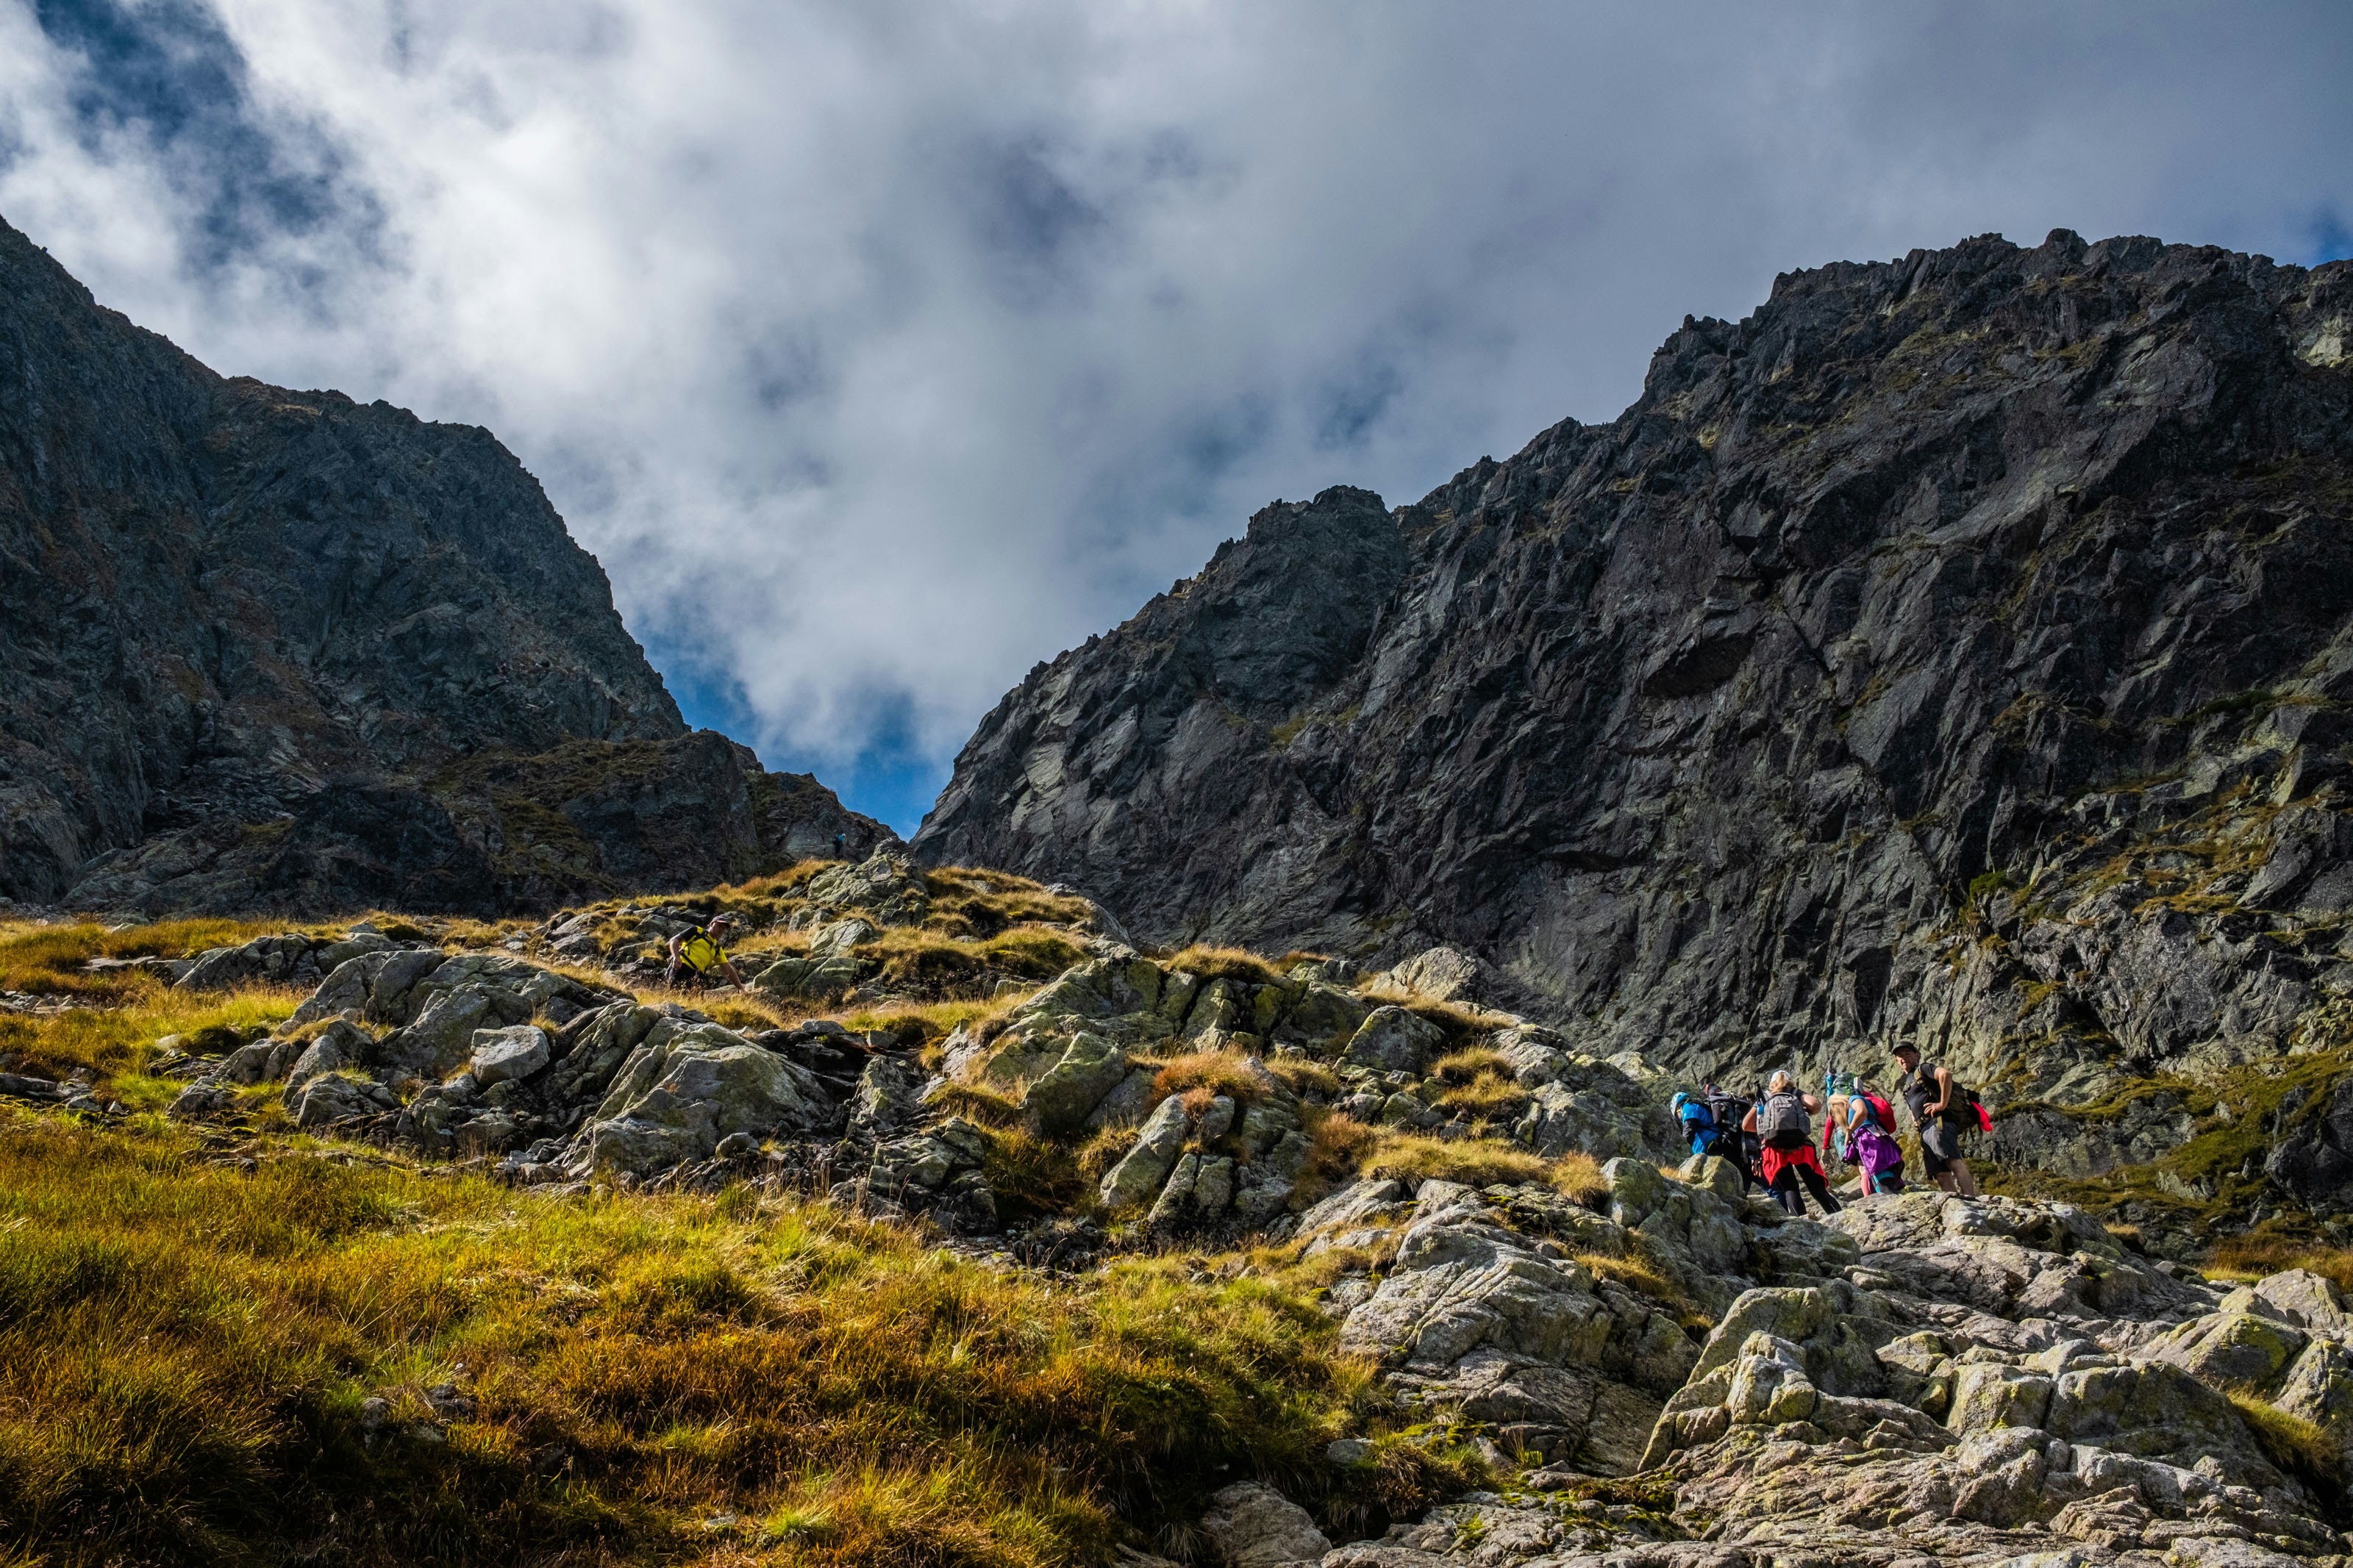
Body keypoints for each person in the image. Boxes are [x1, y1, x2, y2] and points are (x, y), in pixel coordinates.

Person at [1743, 1071, 1842, 1217]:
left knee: (1790, 1187)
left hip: (1773, 1147)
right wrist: (1803, 1114)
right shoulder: (1795, 1093)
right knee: (1816, 1188)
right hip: (1800, 1144)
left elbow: (1746, 1125)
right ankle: (1838, 1216)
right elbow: (1815, 1105)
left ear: (1772, 1082)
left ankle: (1802, 1223)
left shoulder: (1764, 1096)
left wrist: (1766, 1129)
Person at [1892, 1044, 1980, 1196]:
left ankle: (1971, 1199)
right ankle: (1955, 1203)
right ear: (1897, 1061)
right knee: (1941, 1173)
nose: (1904, 1058)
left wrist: (1942, 1104)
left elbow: (1945, 1075)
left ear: (1917, 1055)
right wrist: (1915, 1119)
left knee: (1952, 1161)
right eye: (1900, 1056)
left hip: (1937, 1123)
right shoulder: (1907, 1083)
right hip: (1924, 1129)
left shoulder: (1923, 1069)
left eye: (1907, 1053)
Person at [666, 913, 746, 991]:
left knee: (691, 1002)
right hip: (681, 967)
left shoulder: (717, 949)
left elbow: (728, 970)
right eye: (719, 926)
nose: (721, 930)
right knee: (674, 994)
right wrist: (676, 957)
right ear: (711, 924)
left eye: (723, 928)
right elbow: (674, 940)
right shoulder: (697, 931)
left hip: (696, 977)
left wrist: (741, 989)